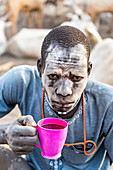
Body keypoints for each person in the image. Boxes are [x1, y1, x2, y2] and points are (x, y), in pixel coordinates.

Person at [0, 25, 113, 170]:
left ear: (89, 71)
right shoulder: (21, 81)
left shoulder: (107, 103)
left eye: (76, 78)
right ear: (40, 68)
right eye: (53, 76)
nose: (64, 91)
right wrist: (5, 133)